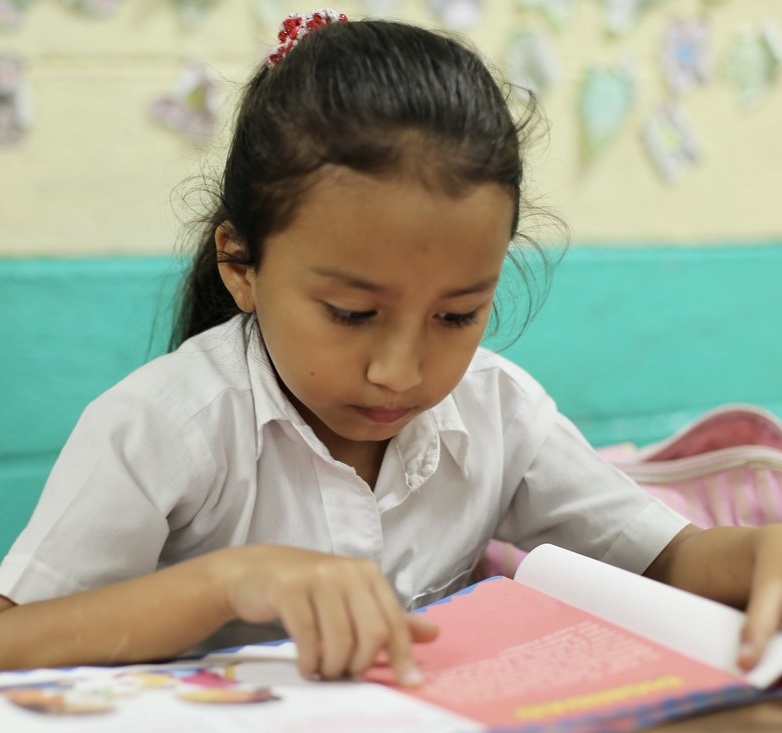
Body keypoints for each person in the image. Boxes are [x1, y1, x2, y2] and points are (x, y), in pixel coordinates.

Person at [0, 9, 780, 688]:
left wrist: (758, 556)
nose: (400, 373)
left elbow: (670, 557)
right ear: (241, 265)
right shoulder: (164, 426)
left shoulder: (499, 411)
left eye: (457, 316)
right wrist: (227, 583)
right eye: (349, 312)